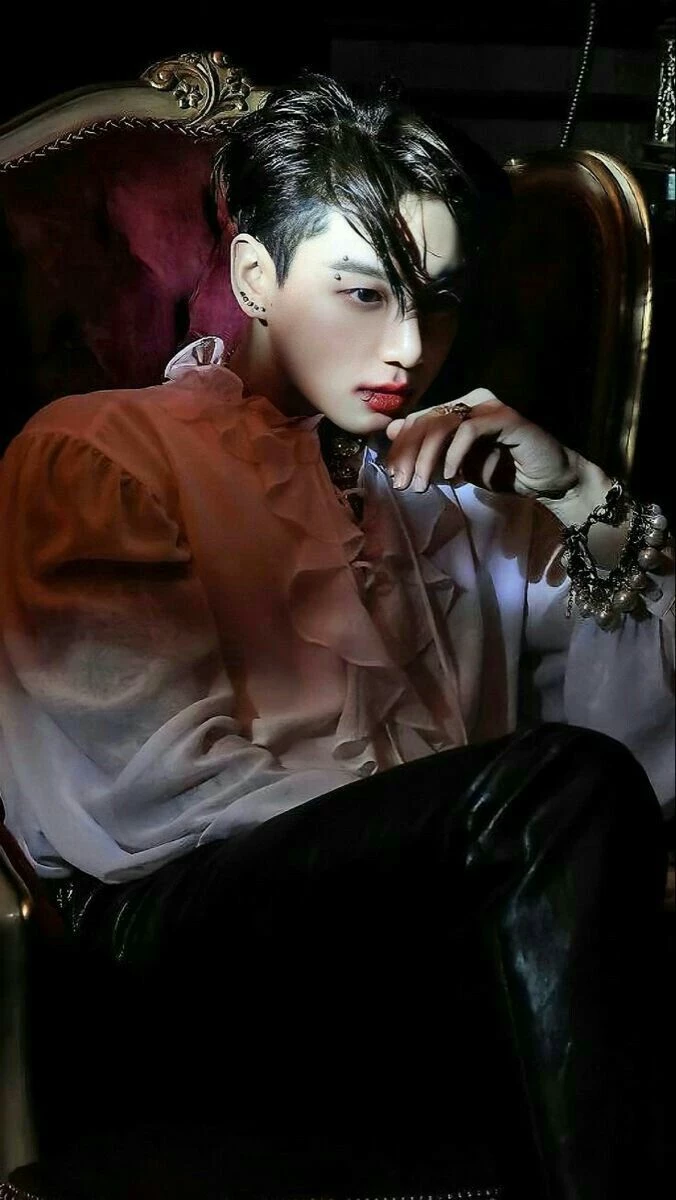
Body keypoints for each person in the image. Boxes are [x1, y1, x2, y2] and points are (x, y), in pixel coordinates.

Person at [0, 75, 672, 1198]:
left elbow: (639, 753)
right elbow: (151, 791)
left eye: (439, 302)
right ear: (255, 278)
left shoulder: (466, 494)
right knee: (553, 793)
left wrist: (579, 492)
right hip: (186, 921)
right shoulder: (101, 455)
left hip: (436, 907)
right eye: (364, 292)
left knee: (566, 797)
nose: (409, 345)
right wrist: (457, 861)